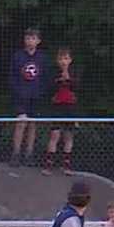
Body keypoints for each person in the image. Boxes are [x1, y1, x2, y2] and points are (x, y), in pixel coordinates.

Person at [10, 28, 48, 167]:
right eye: (28, 38)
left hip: (36, 96)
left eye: (33, 38)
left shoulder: (42, 58)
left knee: (33, 125)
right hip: (21, 95)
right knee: (21, 123)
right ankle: (16, 154)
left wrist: (40, 92)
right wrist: (18, 91)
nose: (30, 41)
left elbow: (45, 77)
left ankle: (29, 154)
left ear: (38, 41)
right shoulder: (18, 56)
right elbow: (12, 76)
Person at [43, 48, 79, 176]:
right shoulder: (53, 72)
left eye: (66, 58)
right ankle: (48, 164)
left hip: (70, 108)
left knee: (68, 136)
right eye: (61, 59)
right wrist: (59, 79)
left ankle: (67, 165)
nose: (63, 62)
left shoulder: (74, 72)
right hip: (57, 107)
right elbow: (49, 88)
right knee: (55, 135)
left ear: (70, 60)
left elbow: (77, 87)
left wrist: (68, 77)